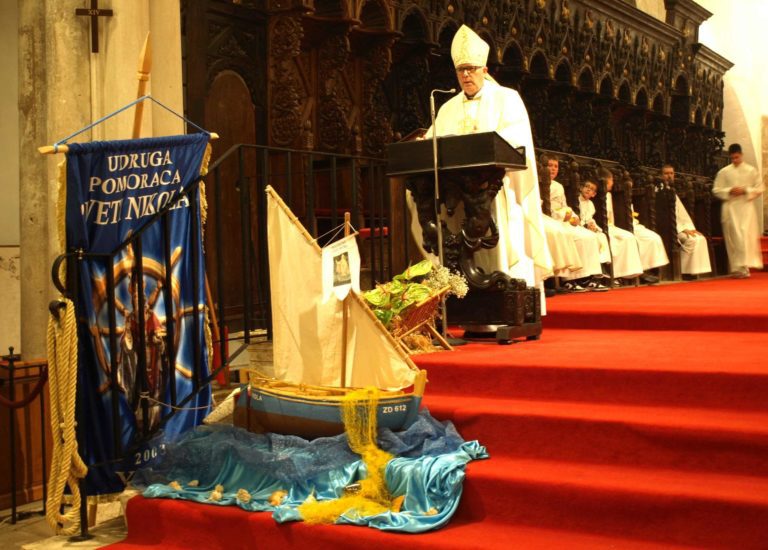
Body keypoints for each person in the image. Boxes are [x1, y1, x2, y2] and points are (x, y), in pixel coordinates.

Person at [423, 24, 553, 292]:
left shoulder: (507, 98)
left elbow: (516, 140)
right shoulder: (447, 107)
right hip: (455, 194)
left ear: (484, 69)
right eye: (461, 70)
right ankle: (462, 295)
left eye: (471, 68)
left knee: (497, 244)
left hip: (494, 188)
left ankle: (504, 297)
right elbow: (431, 142)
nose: (465, 74)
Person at [547, 158, 609, 291]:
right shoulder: (540, 183)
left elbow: (564, 205)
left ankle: (588, 277)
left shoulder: (559, 186)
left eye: (556, 166)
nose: (553, 169)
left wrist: (574, 217)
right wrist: (561, 216)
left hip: (564, 219)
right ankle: (569, 279)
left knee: (590, 236)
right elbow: (545, 208)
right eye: (550, 165)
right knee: (575, 237)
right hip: (552, 220)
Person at [713, 143, 764, 278]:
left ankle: (744, 266)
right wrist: (729, 190)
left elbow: (760, 188)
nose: (735, 160)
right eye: (732, 158)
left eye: (737, 157)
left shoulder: (751, 170)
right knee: (733, 238)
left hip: (745, 208)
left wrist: (746, 190)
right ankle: (737, 267)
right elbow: (716, 189)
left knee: (744, 236)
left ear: (741, 155)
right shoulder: (724, 172)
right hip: (730, 208)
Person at [592, 171, 644, 281]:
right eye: (612, 180)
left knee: (629, 237)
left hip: (611, 226)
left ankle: (627, 272)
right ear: (607, 181)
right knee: (617, 240)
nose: (613, 183)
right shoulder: (596, 195)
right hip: (601, 227)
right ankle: (614, 273)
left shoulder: (609, 195)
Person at [661, 164, 712, 275]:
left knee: (700, 238)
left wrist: (690, 228)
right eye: (666, 173)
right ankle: (683, 271)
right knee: (691, 240)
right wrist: (681, 229)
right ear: (661, 176)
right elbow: (663, 215)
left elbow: (682, 214)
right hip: (669, 229)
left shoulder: (672, 191)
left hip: (679, 226)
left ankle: (696, 271)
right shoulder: (659, 191)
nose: (669, 176)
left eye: (671, 173)